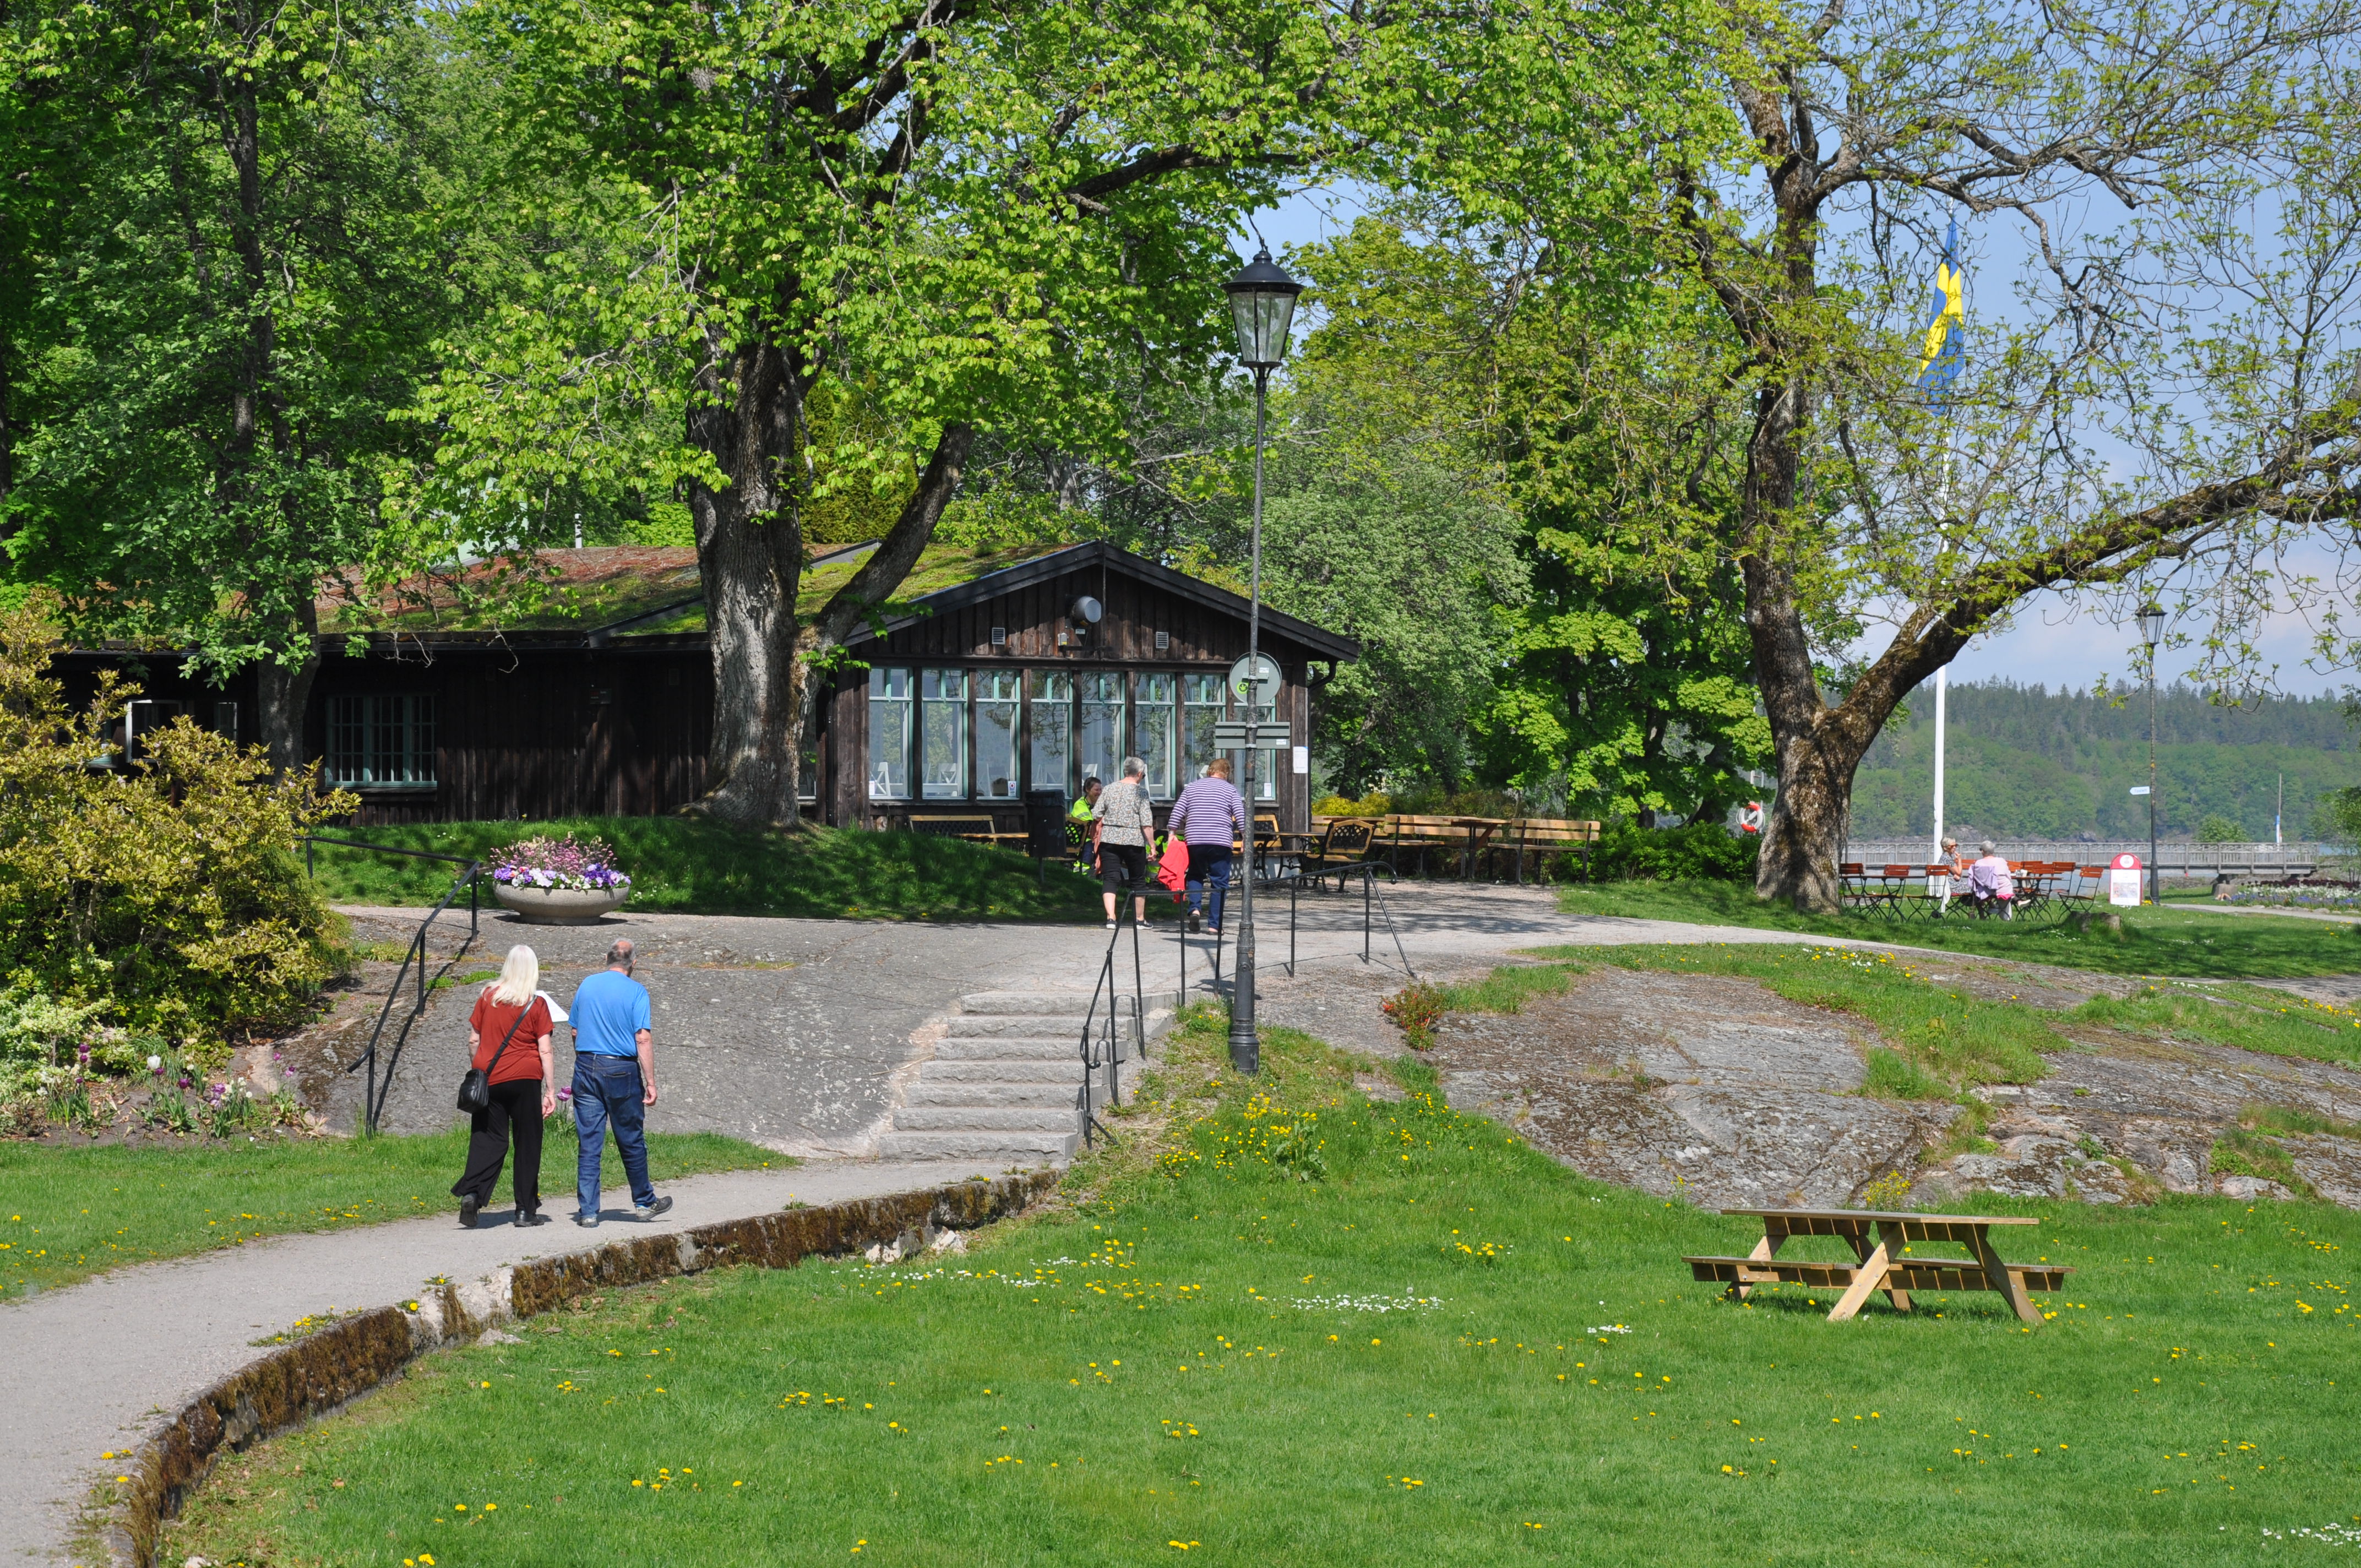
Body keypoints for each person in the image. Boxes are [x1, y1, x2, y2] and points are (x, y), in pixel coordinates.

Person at [568, 938, 671, 1227]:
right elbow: (642, 1037)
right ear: (633, 963)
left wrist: (587, 1058)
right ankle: (643, 1201)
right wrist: (650, 1081)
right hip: (621, 1070)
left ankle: (588, 1212)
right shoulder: (637, 991)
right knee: (630, 1138)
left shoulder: (587, 984)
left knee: (589, 1142)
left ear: (607, 957)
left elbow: (575, 1030)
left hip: (587, 1066)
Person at [453, 944, 556, 1229]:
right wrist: (550, 1091)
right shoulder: (537, 1004)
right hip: (526, 1079)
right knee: (528, 1143)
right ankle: (525, 1210)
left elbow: (474, 1040)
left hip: (492, 1078)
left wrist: (479, 1069)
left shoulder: (487, 997)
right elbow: (545, 1050)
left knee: (488, 1139)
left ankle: (473, 1193)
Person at [1167, 756, 1246, 935]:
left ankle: (1195, 910)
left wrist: (1172, 833)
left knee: (1195, 874)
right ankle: (1214, 926)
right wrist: (1245, 838)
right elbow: (1240, 815)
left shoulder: (1192, 788)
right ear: (1226, 774)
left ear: (1210, 771)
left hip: (1195, 840)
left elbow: (1178, 810)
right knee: (1219, 882)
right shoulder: (1230, 790)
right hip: (1220, 841)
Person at [1092, 756, 1155, 928]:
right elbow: (1147, 823)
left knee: (1110, 878)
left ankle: (1111, 918)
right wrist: (1152, 845)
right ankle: (1139, 920)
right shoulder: (1141, 792)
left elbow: (1097, 814)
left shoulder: (1109, 789)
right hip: (1134, 841)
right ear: (1140, 774)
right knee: (1138, 880)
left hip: (1110, 840)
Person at [1967, 840, 2015, 919]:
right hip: (2003, 890)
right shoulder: (2001, 861)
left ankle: (1984, 915)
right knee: (2008, 889)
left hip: (1985, 892)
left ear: (1982, 852)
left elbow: (1976, 881)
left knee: (1977, 892)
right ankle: (2006, 917)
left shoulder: (1978, 863)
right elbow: (2008, 877)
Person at [1067, 777, 1103, 867]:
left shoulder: (1098, 804)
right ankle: (1079, 873)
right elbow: (1089, 828)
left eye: (1100, 790)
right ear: (1088, 790)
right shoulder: (1080, 805)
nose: (1099, 793)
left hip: (1092, 838)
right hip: (1078, 840)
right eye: (1096, 790)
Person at [1934, 836, 1968, 914]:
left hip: (1946, 884)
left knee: (1973, 889)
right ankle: (1977, 912)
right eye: (1952, 846)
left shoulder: (1944, 857)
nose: (1955, 848)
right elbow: (1959, 873)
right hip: (1949, 886)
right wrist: (1959, 860)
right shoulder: (1947, 858)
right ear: (1945, 848)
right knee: (1974, 889)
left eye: (1956, 845)